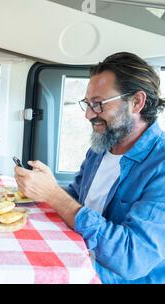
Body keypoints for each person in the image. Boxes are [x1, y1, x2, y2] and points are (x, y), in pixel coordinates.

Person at [15, 52, 165, 283]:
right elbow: (76, 198)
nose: (88, 114)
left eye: (98, 104)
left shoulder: (160, 166)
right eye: (87, 104)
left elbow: (131, 258)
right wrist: (41, 190)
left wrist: (54, 195)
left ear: (137, 102)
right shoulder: (101, 148)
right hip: (79, 258)